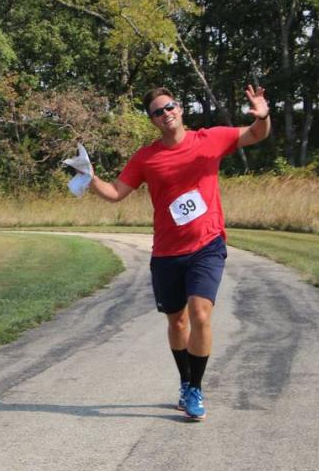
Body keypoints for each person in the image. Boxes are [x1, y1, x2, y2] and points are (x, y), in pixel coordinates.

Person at [88, 84, 270, 421]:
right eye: (158, 111)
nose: (165, 113)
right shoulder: (146, 157)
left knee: (200, 314)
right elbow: (115, 193)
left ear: (180, 108)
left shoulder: (210, 139)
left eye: (169, 106)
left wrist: (263, 115)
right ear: (153, 120)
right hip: (168, 252)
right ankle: (185, 381)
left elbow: (256, 134)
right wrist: (90, 178)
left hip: (207, 244)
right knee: (178, 321)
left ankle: (196, 389)